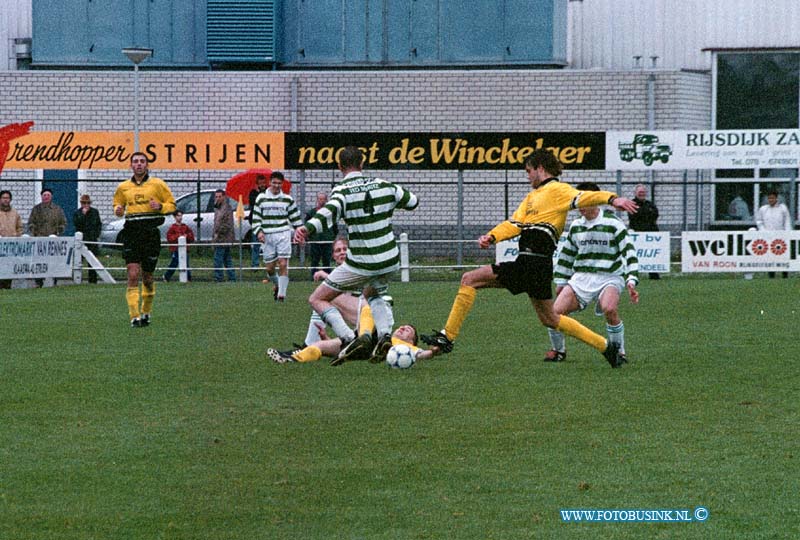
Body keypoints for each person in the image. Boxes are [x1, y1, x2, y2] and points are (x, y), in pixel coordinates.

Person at [420, 149, 638, 368]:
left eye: (528, 171)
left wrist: (612, 199)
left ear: (540, 169)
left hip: (533, 262)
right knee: (551, 319)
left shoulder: (558, 189)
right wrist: (493, 236)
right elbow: (515, 224)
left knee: (469, 279)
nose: (527, 176)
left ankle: (447, 336)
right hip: (535, 264)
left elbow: (583, 197)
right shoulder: (532, 198)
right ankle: (606, 347)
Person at [294, 145, 419, 364]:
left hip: (361, 262)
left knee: (317, 298)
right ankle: (383, 337)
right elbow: (413, 202)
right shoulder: (384, 185)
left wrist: (306, 228)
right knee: (373, 293)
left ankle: (349, 338)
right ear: (362, 164)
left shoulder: (342, 190)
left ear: (340, 166)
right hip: (390, 259)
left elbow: (328, 214)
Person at [544, 182, 639, 363]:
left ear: (596, 201)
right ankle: (558, 351)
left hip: (610, 276)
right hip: (581, 278)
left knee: (609, 309)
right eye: (578, 201)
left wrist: (631, 280)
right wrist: (561, 281)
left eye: (585, 201)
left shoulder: (612, 223)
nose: (580, 206)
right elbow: (567, 255)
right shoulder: (576, 226)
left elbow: (629, 251)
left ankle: (618, 352)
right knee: (554, 313)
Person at [113, 151, 176, 327]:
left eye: (142, 161)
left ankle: (146, 312)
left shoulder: (158, 184)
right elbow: (117, 204)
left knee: (147, 277)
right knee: (132, 274)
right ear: (131, 165)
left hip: (150, 234)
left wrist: (161, 206)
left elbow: (172, 204)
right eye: (135, 161)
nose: (139, 164)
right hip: (132, 233)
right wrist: (118, 209)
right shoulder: (123, 187)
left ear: (147, 165)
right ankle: (134, 316)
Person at [267, 324, 440, 365]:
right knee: (320, 345)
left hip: (367, 350)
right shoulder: (384, 333)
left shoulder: (404, 348)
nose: (403, 328)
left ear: (412, 340)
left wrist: (433, 352)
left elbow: (421, 354)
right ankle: (293, 358)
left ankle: (294, 356)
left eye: (408, 330)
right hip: (354, 342)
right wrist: (326, 336)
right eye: (402, 326)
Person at [252, 171, 303, 301]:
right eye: (274, 183)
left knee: (283, 263)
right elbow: (256, 219)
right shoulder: (261, 198)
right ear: (270, 183)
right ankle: (276, 284)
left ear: (282, 184)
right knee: (269, 268)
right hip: (268, 235)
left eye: (279, 183)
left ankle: (282, 295)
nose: (276, 185)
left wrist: (301, 233)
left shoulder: (287, 199)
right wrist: (259, 232)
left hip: (283, 233)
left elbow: (295, 219)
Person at [28, 188, 67, 287]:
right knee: (39, 262)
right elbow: (30, 223)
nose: (46, 197)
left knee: (54, 261)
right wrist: (34, 232)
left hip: (53, 240)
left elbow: (63, 223)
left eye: (48, 195)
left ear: (51, 197)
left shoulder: (57, 209)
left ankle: (54, 281)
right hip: (39, 240)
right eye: (44, 195)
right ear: (41, 197)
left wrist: (58, 232)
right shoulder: (36, 209)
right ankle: (39, 281)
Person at [756, 190, 792, 278]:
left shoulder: (783, 208)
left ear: (776, 198)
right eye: (769, 198)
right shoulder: (763, 209)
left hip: (781, 237)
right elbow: (759, 222)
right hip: (768, 237)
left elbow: (787, 221)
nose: (771, 200)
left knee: (783, 256)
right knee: (770, 257)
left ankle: (785, 275)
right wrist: (763, 232)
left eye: (772, 198)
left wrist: (787, 234)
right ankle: (771, 276)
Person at [628, 183, 660, 279]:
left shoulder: (650, 204)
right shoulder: (631, 204)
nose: (642, 194)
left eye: (643, 192)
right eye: (640, 192)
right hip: (638, 234)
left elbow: (655, 215)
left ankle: (654, 275)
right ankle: (633, 274)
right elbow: (634, 217)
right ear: (635, 193)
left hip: (651, 234)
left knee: (652, 255)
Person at [306, 192, 338, 278]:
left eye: (323, 199)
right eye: (320, 199)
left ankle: (328, 277)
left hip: (327, 240)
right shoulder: (311, 213)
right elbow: (307, 225)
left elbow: (335, 227)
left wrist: (332, 237)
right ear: (317, 200)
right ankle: (313, 276)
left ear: (326, 200)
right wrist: (310, 237)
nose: (322, 201)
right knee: (315, 259)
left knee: (326, 260)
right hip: (315, 240)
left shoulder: (330, 213)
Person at [72, 194, 102, 284]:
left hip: (92, 239)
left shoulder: (94, 212)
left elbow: (98, 224)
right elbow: (77, 224)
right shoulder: (77, 213)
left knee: (92, 261)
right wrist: (83, 215)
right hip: (82, 240)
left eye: (87, 203)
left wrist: (96, 234)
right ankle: (77, 280)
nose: (86, 205)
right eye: (84, 203)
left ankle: (92, 281)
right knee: (78, 261)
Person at [163, 210, 195, 282]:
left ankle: (188, 278)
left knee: (186, 263)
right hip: (176, 249)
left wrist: (187, 236)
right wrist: (178, 236)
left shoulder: (185, 227)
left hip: (184, 249)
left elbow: (191, 237)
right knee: (174, 263)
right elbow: (170, 238)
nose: (180, 217)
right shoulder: (172, 228)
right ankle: (166, 276)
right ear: (174, 217)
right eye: (178, 216)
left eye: (181, 216)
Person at [0, 190, 23, 289]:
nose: (6, 200)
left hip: (11, 244)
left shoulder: (15, 213)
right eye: (4, 198)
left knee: (9, 266)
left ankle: (7, 285)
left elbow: (20, 227)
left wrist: (17, 236)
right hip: (0, 243)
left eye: (7, 198)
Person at [212, 189, 236, 282]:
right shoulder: (218, 208)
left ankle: (219, 278)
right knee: (227, 259)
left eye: (219, 196)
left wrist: (218, 232)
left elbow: (227, 225)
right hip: (219, 238)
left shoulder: (227, 209)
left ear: (224, 197)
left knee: (218, 259)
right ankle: (232, 277)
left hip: (224, 238)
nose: (218, 198)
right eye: (216, 197)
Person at [247, 173, 268, 271]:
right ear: (257, 184)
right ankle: (255, 264)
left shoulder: (269, 192)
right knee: (255, 243)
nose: (262, 185)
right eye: (260, 183)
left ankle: (269, 262)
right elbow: (253, 203)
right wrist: (259, 194)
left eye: (264, 183)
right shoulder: (253, 193)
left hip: (267, 221)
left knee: (269, 244)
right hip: (256, 222)